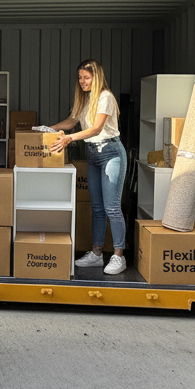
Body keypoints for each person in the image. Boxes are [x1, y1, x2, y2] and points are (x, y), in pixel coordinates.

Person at [47, 59, 128, 275]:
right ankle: (96, 254)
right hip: (93, 155)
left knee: (112, 207)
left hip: (111, 154)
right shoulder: (84, 98)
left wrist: (69, 139)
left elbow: (95, 129)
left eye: (87, 78)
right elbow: (72, 121)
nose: (82, 82)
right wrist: (50, 129)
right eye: (80, 78)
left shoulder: (106, 97)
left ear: (97, 77)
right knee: (97, 208)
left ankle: (119, 256)